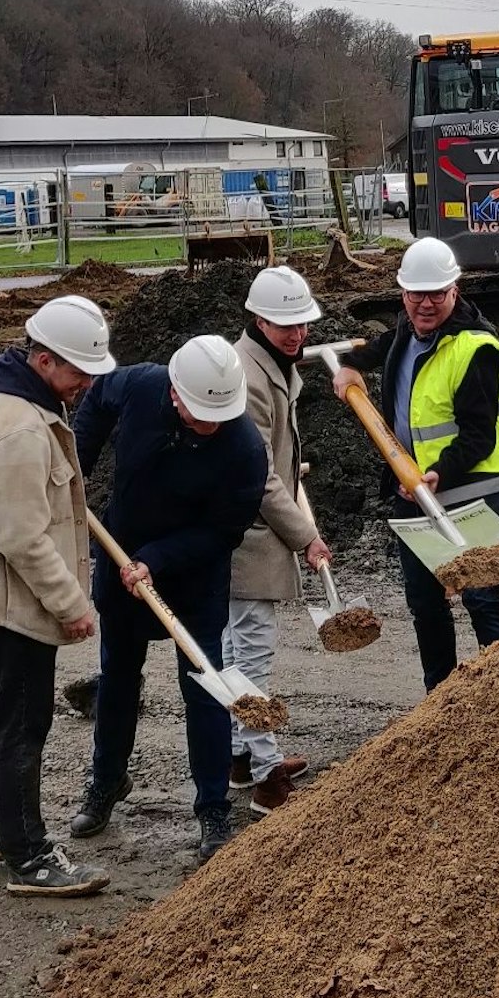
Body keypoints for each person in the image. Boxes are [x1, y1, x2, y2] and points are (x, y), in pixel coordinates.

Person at [0, 295, 116, 897]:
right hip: (8, 605)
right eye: (78, 371)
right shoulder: (22, 431)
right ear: (41, 359)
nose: (85, 383)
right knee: (20, 726)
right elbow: (22, 539)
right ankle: (29, 857)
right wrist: (72, 605)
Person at [69, 335, 268, 863]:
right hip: (120, 560)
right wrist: (74, 467)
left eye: (217, 416)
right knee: (116, 679)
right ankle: (106, 782)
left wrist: (157, 558)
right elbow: (95, 401)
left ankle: (212, 807)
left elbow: (223, 533)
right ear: (176, 394)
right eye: (199, 414)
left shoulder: (245, 448)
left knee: (205, 687)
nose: (209, 425)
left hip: (192, 577)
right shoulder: (141, 385)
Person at [332, 237, 499, 691]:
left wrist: (439, 473)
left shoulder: (476, 349)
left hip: (474, 491)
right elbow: (380, 347)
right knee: (424, 600)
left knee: (482, 596)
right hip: (414, 488)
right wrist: (348, 363)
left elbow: (480, 437)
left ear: (454, 290)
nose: (425, 303)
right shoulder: (408, 327)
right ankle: (440, 698)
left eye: (435, 293)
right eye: (415, 293)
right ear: (402, 293)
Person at [227, 267, 330, 814]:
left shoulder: (271, 365)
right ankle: (266, 775)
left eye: (302, 325)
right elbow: (258, 474)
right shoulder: (248, 377)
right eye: (285, 325)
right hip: (251, 535)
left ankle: (240, 754)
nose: (297, 335)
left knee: (234, 648)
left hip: (255, 528)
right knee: (251, 657)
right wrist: (305, 535)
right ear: (258, 319)